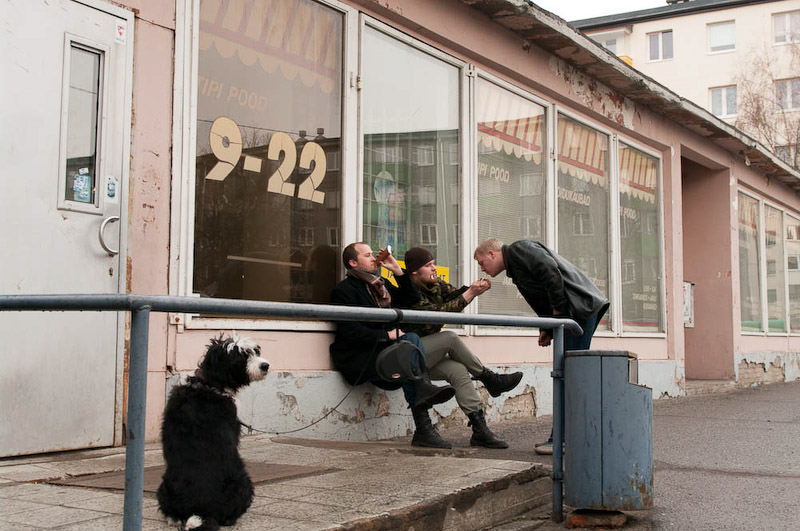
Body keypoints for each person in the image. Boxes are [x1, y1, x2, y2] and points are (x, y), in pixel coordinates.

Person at [473, 238, 610, 455]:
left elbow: (551, 274)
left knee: (568, 376)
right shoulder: (515, 265)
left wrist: (558, 316)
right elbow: (542, 294)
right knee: (568, 375)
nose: (482, 268)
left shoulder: (519, 250)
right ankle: (570, 437)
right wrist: (547, 328)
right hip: (576, 310)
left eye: (482, 262)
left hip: (578, 311)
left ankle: (563, 440)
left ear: (492, 254)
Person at [329, 242, 456, 448]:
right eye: (368, 255)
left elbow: (412, 299)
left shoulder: (381, 286)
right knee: (410, 347)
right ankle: (424, 425)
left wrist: (397, 270)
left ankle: (424, 420)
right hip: (362, 358)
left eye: (373, 254)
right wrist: (386, 335)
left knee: (410, 345)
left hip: (385, 354)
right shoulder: (343, 291)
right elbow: (349, 331)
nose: (374, 258)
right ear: (353, 262)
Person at [399, 247, 524, 449]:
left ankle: (480, 430)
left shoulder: (436, 284)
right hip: (409, 354)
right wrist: (470, 293)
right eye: (428, 265)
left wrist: (473, 289)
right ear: (415, 271)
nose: (434, 269)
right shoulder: (408, 291)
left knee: (457, 370)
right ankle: (489, 378)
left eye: (434, 263)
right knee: (449, 337)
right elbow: (439, 313)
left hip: (427, 355)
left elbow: (455, 297)